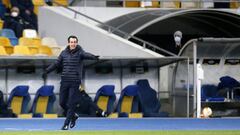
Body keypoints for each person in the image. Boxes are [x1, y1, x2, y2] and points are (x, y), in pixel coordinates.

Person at [42, 35, 100, 130]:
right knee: (62, 103)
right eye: (71, 42)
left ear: (76, 43)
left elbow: (86, 55)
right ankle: (74, 115)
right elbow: (56, 63)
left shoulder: (80, 52)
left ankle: (66, 124)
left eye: (74, 42)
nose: (73, 43)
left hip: (75, 81)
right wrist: (47, 71)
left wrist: (94, 57)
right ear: (68, 43)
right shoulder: (63, 53)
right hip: (64, 81)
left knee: (72, 103)